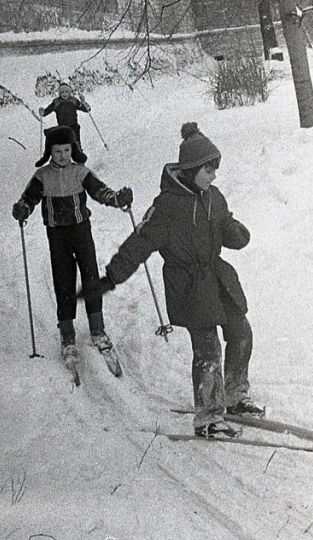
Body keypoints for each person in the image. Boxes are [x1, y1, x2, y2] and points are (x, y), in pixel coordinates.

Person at [81, 122, 262, 439]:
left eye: (215, 169)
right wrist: (110, 278)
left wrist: (234, 233)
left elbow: (224, 221)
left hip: (216, 276)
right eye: (209, 170)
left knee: (241, 330)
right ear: (192, 170)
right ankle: (207, 417)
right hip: (188, 285)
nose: (214, 176)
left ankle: (234, 396)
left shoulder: (213, 196)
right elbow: (138, 245)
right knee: (207, 350)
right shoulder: (165, 207)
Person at [12, 125, 132, 360]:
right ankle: (67, 332)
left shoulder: (80, 172)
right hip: (57, 234)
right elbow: (29, 198)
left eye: (67, 150)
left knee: (90, 275)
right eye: (57, 151)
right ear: (50, 152)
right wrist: (23, 209)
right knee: (63, 278)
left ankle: (97, 327)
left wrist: (117, 199)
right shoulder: (42, 176)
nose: (63, 156)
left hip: (81, 230)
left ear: (72, 149)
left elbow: (100, 191)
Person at [39, 81, 91, 150]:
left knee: (76, 141)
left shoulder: (74, 100)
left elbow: (87, 109)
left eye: (66, 92)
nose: (64, 94)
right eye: (62, 92)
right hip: (62, 127)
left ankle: (79, 153)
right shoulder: (56, 102)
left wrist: (84, 102)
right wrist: (43, 112)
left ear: (70, 92)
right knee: (65, 142)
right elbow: (46, 112)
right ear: (59, 93)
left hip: (74, 126)